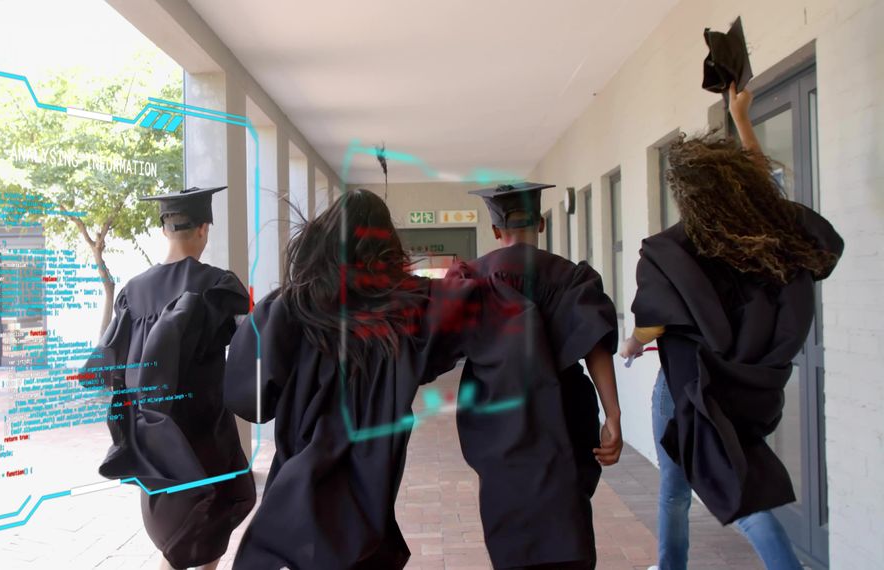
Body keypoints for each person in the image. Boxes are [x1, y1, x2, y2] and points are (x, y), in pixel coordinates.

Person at [223, 188, 576, 569]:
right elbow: (495, 314)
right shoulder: (412, 307)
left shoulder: (284, 309)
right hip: (366, 506)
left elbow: (250, 402)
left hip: (291, 505)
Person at [621, 83, 844, 570]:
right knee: (713, 478)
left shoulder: (676, 248)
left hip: (689, 388)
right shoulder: (768, 237)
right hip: (745, 387)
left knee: (705, 488)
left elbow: (654, 322)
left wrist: (632, 344)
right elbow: (769, 195)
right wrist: (741, 120)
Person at [446, 182, 623, 569]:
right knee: (568, 505)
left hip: (496, 407)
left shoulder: (471, 276)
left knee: (507, 504)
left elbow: (441, 342)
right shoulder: (571, 276)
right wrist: (613, 415)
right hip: (564, 405)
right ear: (540, 224)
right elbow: (595, 345)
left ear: (495, 231)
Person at [85, 186, 255, 570]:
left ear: (164, 230)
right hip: (206, 427)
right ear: (203, 229)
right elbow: (252, 346)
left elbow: (114, 361)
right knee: (209, 519)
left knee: (176, 528)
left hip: (154, 434)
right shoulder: (219, 284)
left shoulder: (133, 290)